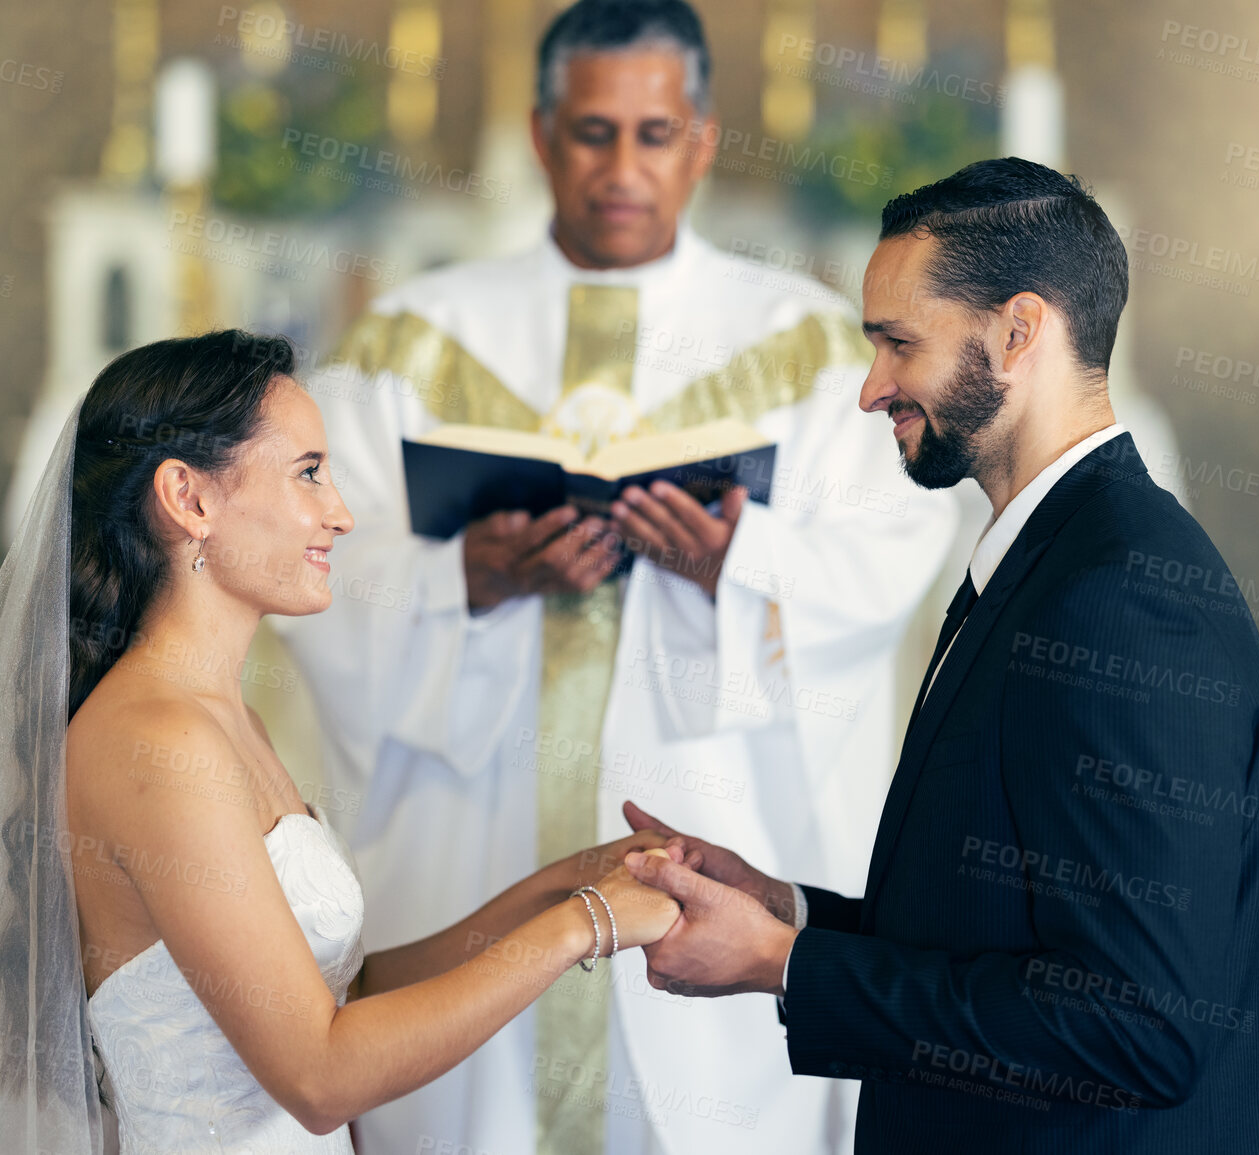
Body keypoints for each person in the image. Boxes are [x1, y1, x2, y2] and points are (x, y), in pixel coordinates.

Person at [271, 3, 958, 1154]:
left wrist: (733, 558)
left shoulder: (813, 344)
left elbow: (888, 558)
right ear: (541, 137)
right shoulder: (408, 342)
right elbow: (316, 572)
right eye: (594, 133)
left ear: (702, 138)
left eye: (655, 133)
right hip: (468, 866)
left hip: (713, 833)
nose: (623, 168)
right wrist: (464, 582)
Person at [0, 330, 679, 1154]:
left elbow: (349, 994)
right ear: (188, 498)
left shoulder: (226, 721)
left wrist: (569, 879)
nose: (339, 514)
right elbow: (318, 1073)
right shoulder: (154, 739)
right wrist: (585, 927)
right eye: (309, 472)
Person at [617, 158, 1259, 1154]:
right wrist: (787, 910)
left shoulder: (1123, 597)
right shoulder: (1050, 558)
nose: (870, 389)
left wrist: (790, 968)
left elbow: (1140, 1025)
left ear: (1019, 332)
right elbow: (1001, 934)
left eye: (898, 343)